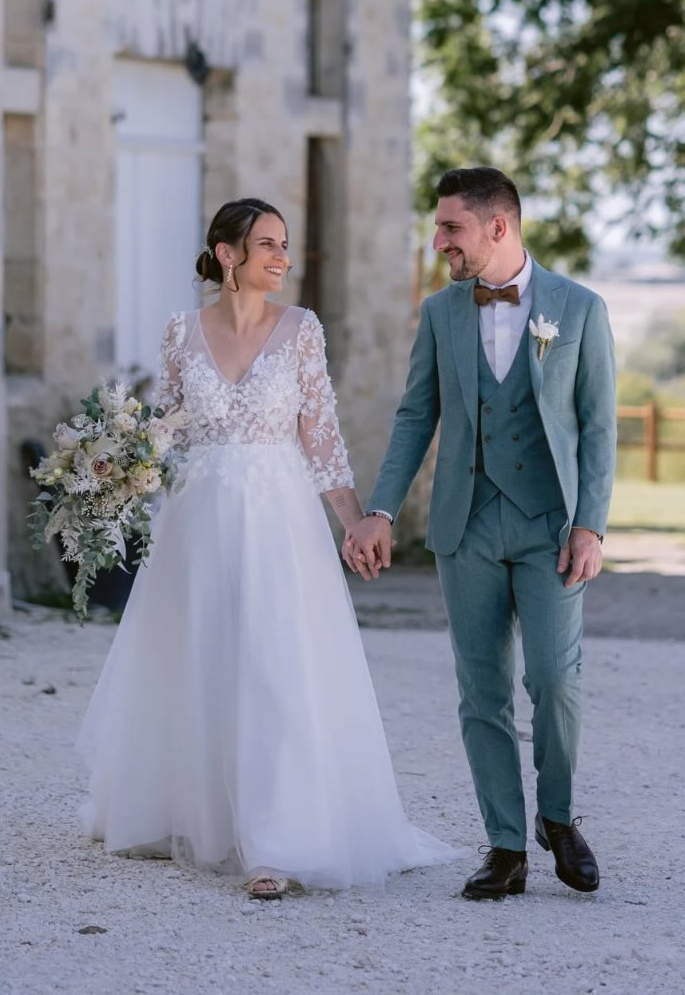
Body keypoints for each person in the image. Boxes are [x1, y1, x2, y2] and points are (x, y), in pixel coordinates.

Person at [78, 197, 455, 899]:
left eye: (285, 245)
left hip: (280, 521)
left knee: (274, 668)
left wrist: (354, 520)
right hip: (198, 520)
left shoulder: (301, 330)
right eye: (268, 245)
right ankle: (196, 813)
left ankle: (274, 843)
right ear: (228, 255)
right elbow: (163, 432)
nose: (283, 257)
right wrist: (111, 472)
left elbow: (322, 438)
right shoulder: (180, 332)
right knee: (201, 661)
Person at [345, 166, 617, 903]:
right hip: (464, 525)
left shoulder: (581, 309)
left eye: (450, 228)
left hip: (551, 526)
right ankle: (504, 845)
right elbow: (414, 416)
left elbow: (598, 427)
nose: (438, 243)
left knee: (555, 680)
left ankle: (557, 819)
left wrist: (590, 524)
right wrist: (380, 508)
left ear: (498, 227)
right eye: (438, 228)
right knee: (481, 691)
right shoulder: (440, 313)